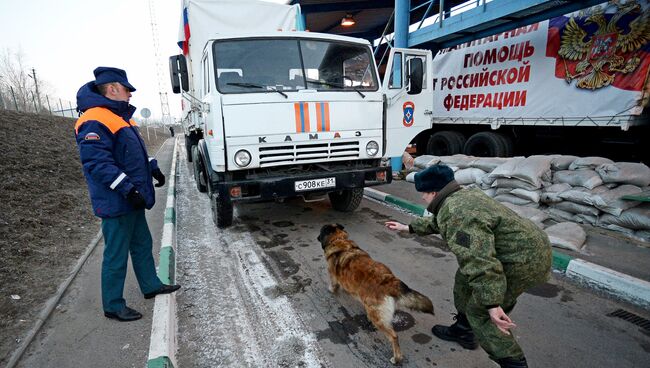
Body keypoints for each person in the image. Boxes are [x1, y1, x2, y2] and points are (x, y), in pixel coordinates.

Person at [385, 164, 551, 368]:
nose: (422, 198)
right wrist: (408, 227)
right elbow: (440, 222)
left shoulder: (458, 212)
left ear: (434, 192)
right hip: (521, 250)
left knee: (481, 313)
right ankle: (463, 331)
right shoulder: (458, 198)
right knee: (464, 281)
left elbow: (479, 261)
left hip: (523, 261)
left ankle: (514, 364)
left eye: (423, 193)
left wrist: (491, 303)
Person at [74, 66, 181, 322]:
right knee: (116, 254)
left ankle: (150, 285)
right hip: (116, 201)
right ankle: (113, 305)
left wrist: (153, 167)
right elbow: (99, 164)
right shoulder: (93, 119)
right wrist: (128, 188)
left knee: (142, 244)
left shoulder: (121, 117)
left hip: (132, 199)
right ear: (112, 88)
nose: (131, 94)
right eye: (127, 89)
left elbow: (134, 154)